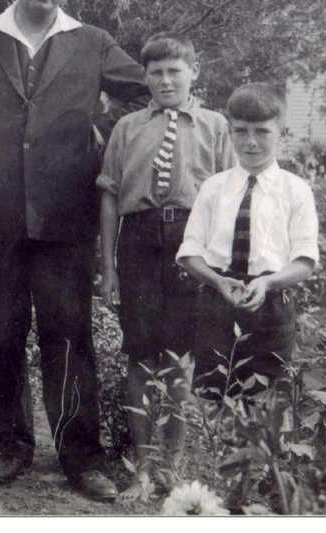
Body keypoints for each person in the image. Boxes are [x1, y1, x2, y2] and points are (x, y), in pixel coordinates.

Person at [0, 0, 148, 501]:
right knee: (2, 335)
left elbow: (142, 95)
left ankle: (81, 456)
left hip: (66, 216)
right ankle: (11, 447)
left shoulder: (91, 41)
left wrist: (100, 137)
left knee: (69, 335)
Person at [96, 33, 235, 503]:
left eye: (175, 70)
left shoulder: (215, 126)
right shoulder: (128, 127)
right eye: (155, 72)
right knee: (139, 357)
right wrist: (109, 266)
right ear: (146, 78)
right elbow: (111, 197)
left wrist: (220, 267)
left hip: (191, 243)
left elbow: (229, 198)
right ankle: (141, 469)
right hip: (137, 240)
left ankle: (171, 468)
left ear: (195, 72)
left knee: (179, 362)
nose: (165, 79)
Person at [177, 82, 318, 400]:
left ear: (281, 132)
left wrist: (269, 283)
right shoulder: (214, 188)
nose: (251, 142)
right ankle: (221, 451)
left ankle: (262, 451)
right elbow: (190, 251)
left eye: (262, 132)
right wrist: (216, 280)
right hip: (218, 300)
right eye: (240, 131)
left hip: (271, 304)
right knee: (216, 397)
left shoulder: (295, 190)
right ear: (229, 131)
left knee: (266, 400)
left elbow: (306, 259)